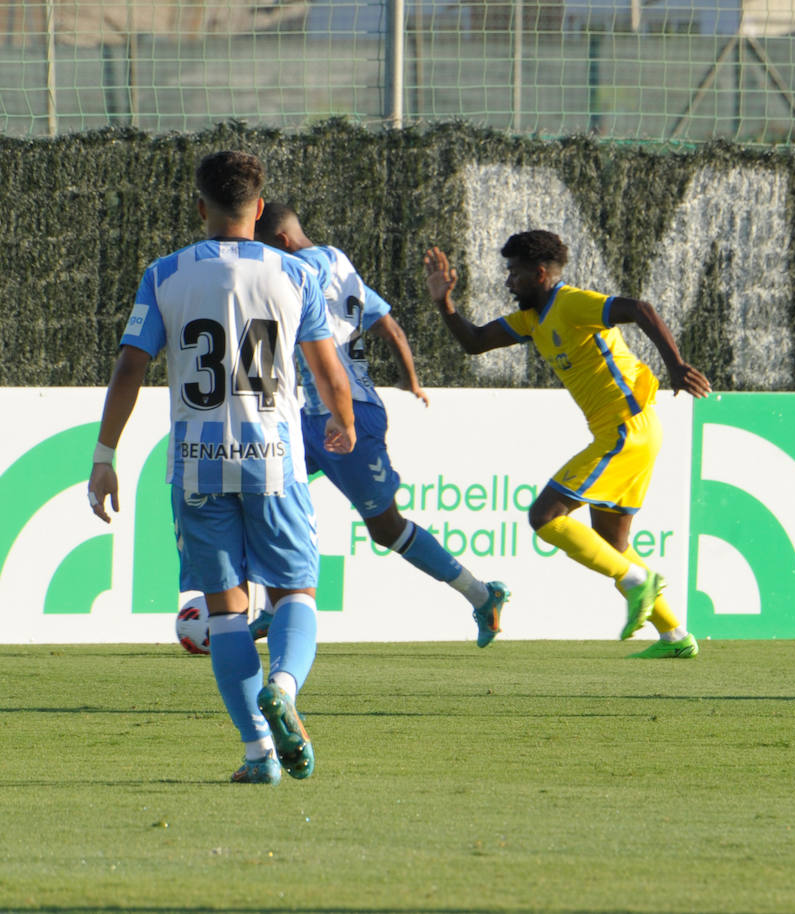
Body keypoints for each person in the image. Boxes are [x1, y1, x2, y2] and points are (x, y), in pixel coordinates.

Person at [87, 151, 356, 785]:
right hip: (275, 465)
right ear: (260, 210)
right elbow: (327, 371)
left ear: (200, 207)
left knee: (228, 612)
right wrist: (342, 418)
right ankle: (284, 688)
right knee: (295, 591)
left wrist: (104, 456)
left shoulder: (164, 275)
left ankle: (259, 752)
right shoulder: (296, 275)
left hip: (198, 469)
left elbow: (130, 366)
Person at [423, 231, 712, 658]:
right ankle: (675, 635)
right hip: (630, 431)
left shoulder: (571, 303)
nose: (508, 283)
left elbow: (640, 309)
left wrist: (675, 364)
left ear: (540, 274)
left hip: (626, 429)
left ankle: (639, 583)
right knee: (612, 543)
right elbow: (475, 342)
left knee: (545, 515)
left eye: (515, 274)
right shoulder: (531, 320)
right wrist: (444, 302)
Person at [245, 202, 510, 647]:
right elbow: (390, 326)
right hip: (309, 414)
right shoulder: (339, 264)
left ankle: (482, 595)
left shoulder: (296, 268)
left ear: (283, 243)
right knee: (262, 487)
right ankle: (274, 608)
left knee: (386, 528)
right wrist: (411, 379)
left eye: (265, 248)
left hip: (346, 414)